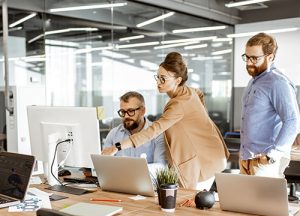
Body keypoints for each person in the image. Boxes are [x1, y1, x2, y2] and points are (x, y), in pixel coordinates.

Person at [102, 52, 229, 190]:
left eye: (163, 79)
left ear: (177, 80)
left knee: (189, 203)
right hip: (211, 155)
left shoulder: (179, 104)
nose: (158, 83)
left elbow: (153, 130)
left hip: (204, 162)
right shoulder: (190, 92)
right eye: (157, 77)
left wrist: (117, 147)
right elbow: (200, 94)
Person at [239, 32, 300, 177]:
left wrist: (273, 155)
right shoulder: (253, 81)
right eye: (246, 57)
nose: (248, 63)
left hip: (265, 161)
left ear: (270, 57)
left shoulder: (278, 82)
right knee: (244, 200)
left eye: (254, 58)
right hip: (247, 158)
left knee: (263, 200)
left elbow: (292, 121)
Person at [104, 91, 167, 175]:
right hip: (119, 184)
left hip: (147, 185)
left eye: (131, 111)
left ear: (142, 111)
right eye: (123, 112)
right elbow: (104, 164)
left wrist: (132, 171)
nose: (126, 116)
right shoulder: (114, 134)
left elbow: (160, 167)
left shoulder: (157, 134)